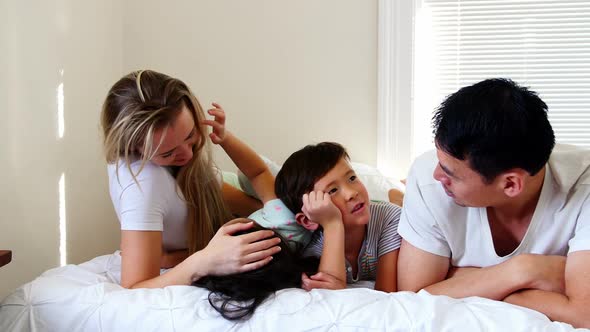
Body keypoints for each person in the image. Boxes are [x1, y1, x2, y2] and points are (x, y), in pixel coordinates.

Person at [397, 78, 590, 328]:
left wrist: (463, 282)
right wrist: (524, 271)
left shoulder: (583, 187)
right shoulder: (427, 181)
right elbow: (415, 298)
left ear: (510, 184)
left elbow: (583, 314)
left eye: (451, 174)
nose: (437, 175)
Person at [101, 69, 280, 289]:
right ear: (133, 150)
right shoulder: (142, 185)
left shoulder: (190, 171)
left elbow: (262, 208)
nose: (187, 154)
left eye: (190, 136)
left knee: (284, 195)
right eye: (168, 153)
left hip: (229, 188)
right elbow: (135, 287)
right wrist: (205, 261)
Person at [275, 142, 403, 292]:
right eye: (332, 190)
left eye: (352, 178)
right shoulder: (313, 253)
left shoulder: (389, 218)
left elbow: (387, 294)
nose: (351, 193)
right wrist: (332, 224)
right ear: (308, 220)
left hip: (388, 209)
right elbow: (330, 298)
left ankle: (398, 197)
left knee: (402, 209)